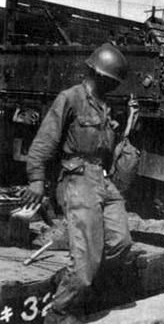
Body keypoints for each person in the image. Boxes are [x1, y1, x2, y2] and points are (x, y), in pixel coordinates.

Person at [22, 43, 134, 324]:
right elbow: (43, 142)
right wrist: (36, 180)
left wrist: (128, 127)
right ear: (99, 75)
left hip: (102, 180)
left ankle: (72, 281)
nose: (113, 87)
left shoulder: (105, 106)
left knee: (120, 242)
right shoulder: (70, 98)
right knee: (85, 262)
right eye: (111, 81)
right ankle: (59, 313)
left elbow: (108, 148)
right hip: (77, 179)